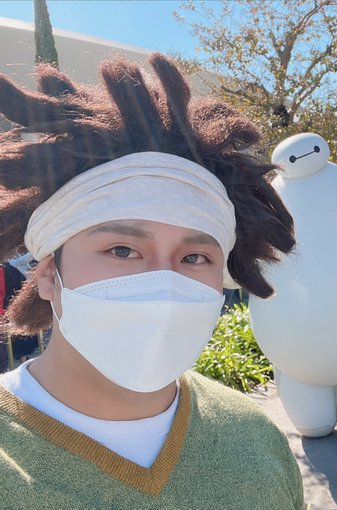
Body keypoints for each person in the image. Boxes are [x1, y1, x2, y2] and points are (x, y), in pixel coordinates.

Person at [0, 54, 304, 508]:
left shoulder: (255, 437)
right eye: (122, 250)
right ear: (47, 274)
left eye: (195, 257)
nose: (163, 284)